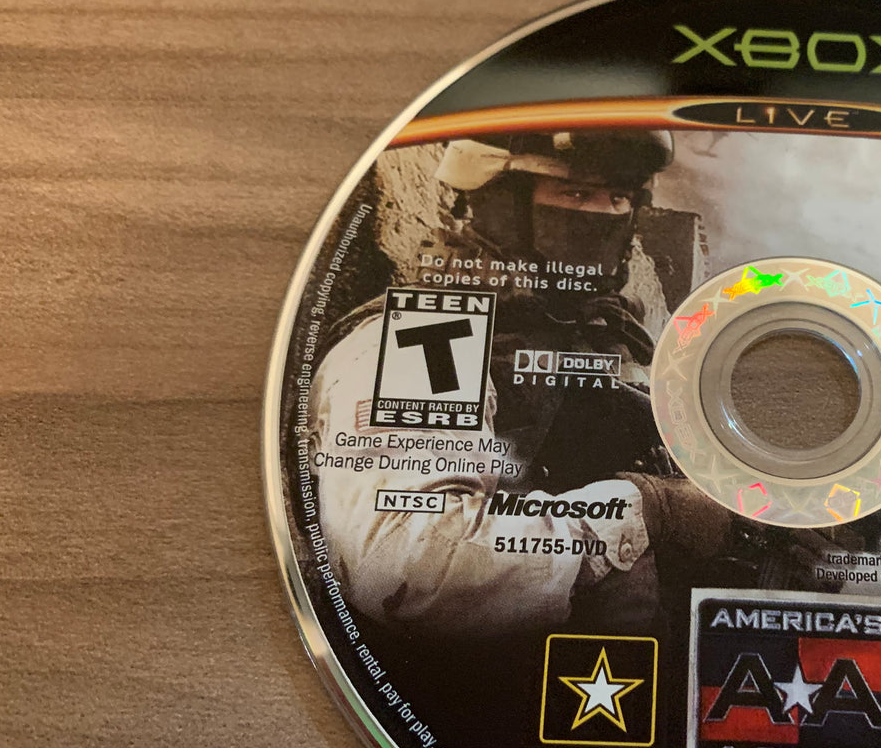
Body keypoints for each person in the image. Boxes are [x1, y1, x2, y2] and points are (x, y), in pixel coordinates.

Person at [308, 130, 736, 637]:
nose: (602, 216)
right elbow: (407, 562)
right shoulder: (428, 339)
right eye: (576, 193)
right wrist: (652, 511)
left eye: (618, 198)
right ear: (499, 203)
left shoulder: (607, 340)